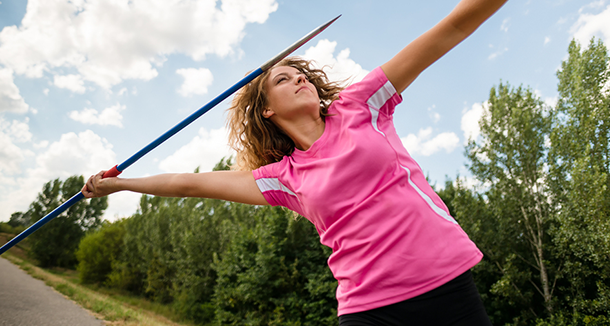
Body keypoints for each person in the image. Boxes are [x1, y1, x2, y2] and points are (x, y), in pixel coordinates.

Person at [83, 0, 507, 324]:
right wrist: (118, 184)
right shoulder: (282, 179)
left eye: (298, 73)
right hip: (369, 306)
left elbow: (449, 29)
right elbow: (187, 183)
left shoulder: (360, 105)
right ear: (267, 111)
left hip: (446, 286)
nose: (299, 77)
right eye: (281, 79)